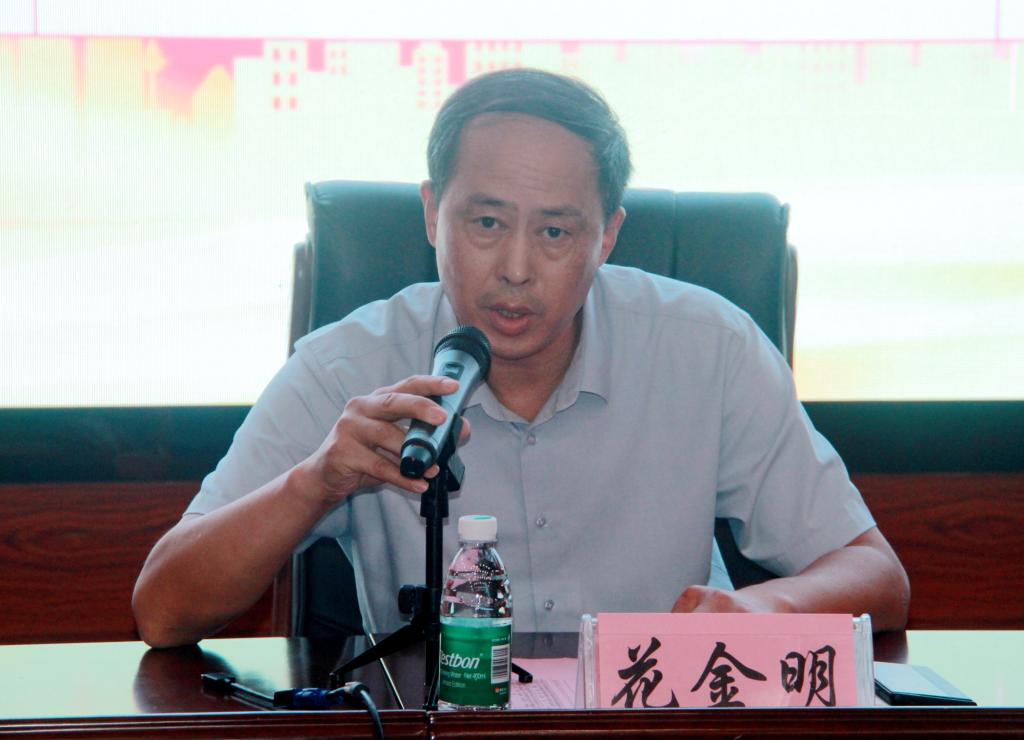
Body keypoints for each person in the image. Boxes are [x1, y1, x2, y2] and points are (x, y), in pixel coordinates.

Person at [132, 69, 909, 648]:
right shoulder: (346, 368)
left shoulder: (708, 350)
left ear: (608, 236)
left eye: (556, 233)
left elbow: (878, 578)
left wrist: (760, 609)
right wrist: (317, 481)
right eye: (487, 223)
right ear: (432, 212)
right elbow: (164, 610)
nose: (514, 269)